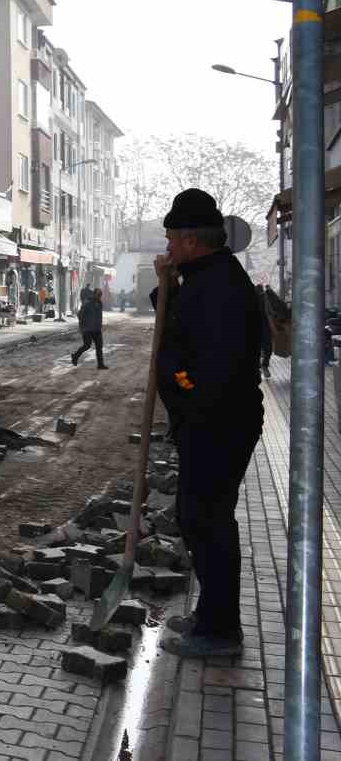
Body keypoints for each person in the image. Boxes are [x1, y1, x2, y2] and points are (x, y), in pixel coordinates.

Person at [152, 188, 264, 659]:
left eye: (172, 237)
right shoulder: (205, 276)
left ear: (192, 240)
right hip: (209, 422)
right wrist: (167, 280)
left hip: (219, 424)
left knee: (209, 521)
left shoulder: (219, 288)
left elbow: (210, 368)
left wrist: (186, 400)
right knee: (197, 517)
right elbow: (171, 309)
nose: (168, 245)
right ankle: (209, 615)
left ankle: (220, 631)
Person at [71, 288, 108, 369]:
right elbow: (80, 314)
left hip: (97, 329)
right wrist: (82, 326)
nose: (99, 297)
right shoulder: (87, 303)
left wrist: (99, 325)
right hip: (87, 329)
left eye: (100, 295)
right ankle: (75, 356)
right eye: (98, 295)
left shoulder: (99, 303)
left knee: (99, 347)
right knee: (87, 345)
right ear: (94, 294)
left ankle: (100, 364)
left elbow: (99, 315)